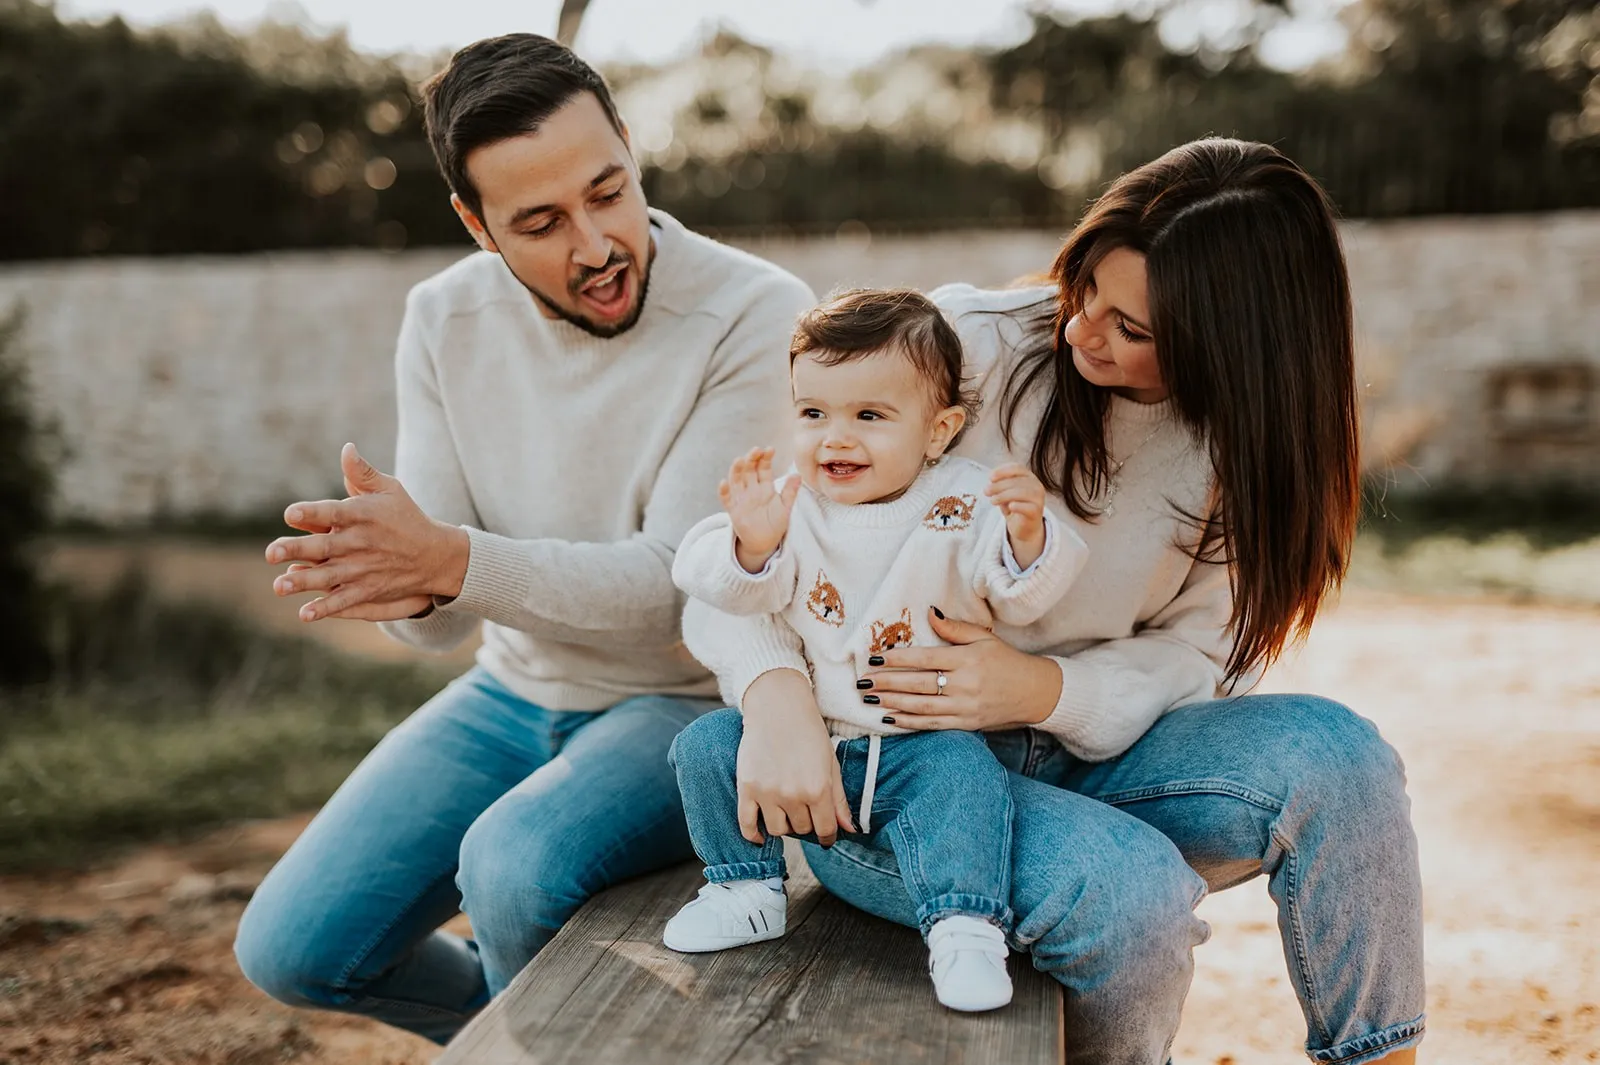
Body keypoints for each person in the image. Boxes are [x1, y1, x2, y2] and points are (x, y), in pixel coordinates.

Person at [684, 139, 1424, 1065]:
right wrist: (775, 698)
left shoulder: (1256, 450)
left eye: (1133, 329)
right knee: (1132, 892)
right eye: (1085, 290)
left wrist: (1039, 690)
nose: (1081, 331)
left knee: (1342, 758)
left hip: (1100, 749)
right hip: (905, 773)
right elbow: (748, 543)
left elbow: (1203, 654)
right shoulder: (965, 346)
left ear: (1234, 350)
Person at [231, 33, 814, 1043]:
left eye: (608, 191)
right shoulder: (444, 318)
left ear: (631, 149)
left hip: (687, 706)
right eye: (539, 222)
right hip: (513, 690)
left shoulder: (756, 314)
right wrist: (406, 586)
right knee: (296, 949)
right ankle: (551, 1040)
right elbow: (439, 630)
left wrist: (448, 560)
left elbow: (677, 587)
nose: (594, 246)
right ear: (475, 223)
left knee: (513, 861)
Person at [663, 288, 1087, 1013]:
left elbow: (1022, 594)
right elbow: (710, 580)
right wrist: (751, 543)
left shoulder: (966, 499)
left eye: (869, 416)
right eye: (813, 413)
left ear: (938, 429)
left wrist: (1027, 537)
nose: (836, 437)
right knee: (704, 745)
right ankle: (745, 886)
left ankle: (963, 925)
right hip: (809, 742)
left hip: (916, 743)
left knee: (965, 780)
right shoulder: (792, 505)